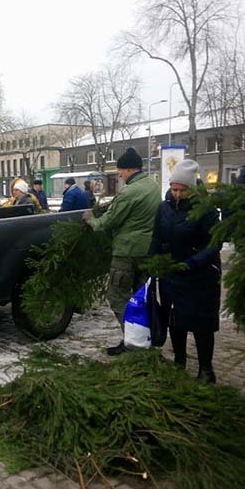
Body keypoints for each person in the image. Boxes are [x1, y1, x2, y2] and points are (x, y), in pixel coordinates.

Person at [83, 147, 162, 356]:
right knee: (141, 298)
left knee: (117, 296)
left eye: (121, 170)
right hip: (146, 252)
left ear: (129, 170)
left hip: (126, 253)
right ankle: (146, 340)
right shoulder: (153, 187)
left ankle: (131, 341)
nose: (119, 174)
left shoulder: (129, 192)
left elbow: (106, 223)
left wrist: (91, 218)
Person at [148, 159, 221, 382]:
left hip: (200, 276)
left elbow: (214, 243)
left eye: (182, 189)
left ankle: (206, 370)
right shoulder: (164, 207)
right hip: (171, 275)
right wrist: (152, 263)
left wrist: (193, 263)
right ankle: (179, 362)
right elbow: (157, 237)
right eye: (174, 188)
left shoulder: (206, 210)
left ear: (192, 187)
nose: (177, 194)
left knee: (201, 323)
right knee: (175, 320)